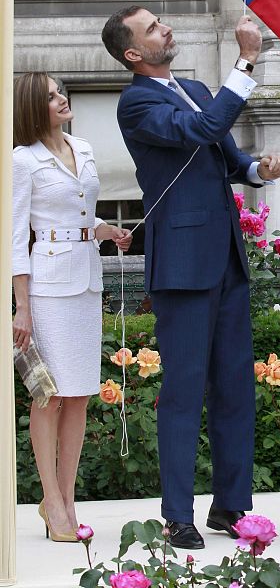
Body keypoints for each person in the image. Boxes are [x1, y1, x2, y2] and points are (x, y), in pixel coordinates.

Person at [101, 7, 280, 550]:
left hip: (225, 255)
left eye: (161, 22)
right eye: (154, 29)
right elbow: (201, 131)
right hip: (181, 262)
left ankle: (229, 507)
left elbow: (228, 158)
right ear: (134, 53)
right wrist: (246, 61)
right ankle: (177, 515)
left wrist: (259, 171)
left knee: (235, 387)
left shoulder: (199, 87)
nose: (167, 30)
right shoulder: (136, 103)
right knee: (183, 392)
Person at [12, 72, 132, 542]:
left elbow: (81, 214)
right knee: (49, 395)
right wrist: (22, 307)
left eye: (61, 91)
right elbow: (16, 237)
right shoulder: (23, 161)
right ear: (32, 108)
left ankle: (64, 498)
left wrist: (106, 230)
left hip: (86, 279)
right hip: (45, 287)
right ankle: (53, 500)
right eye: (50, 96)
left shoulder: (82, 148)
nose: (61, 99)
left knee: (79, 393)